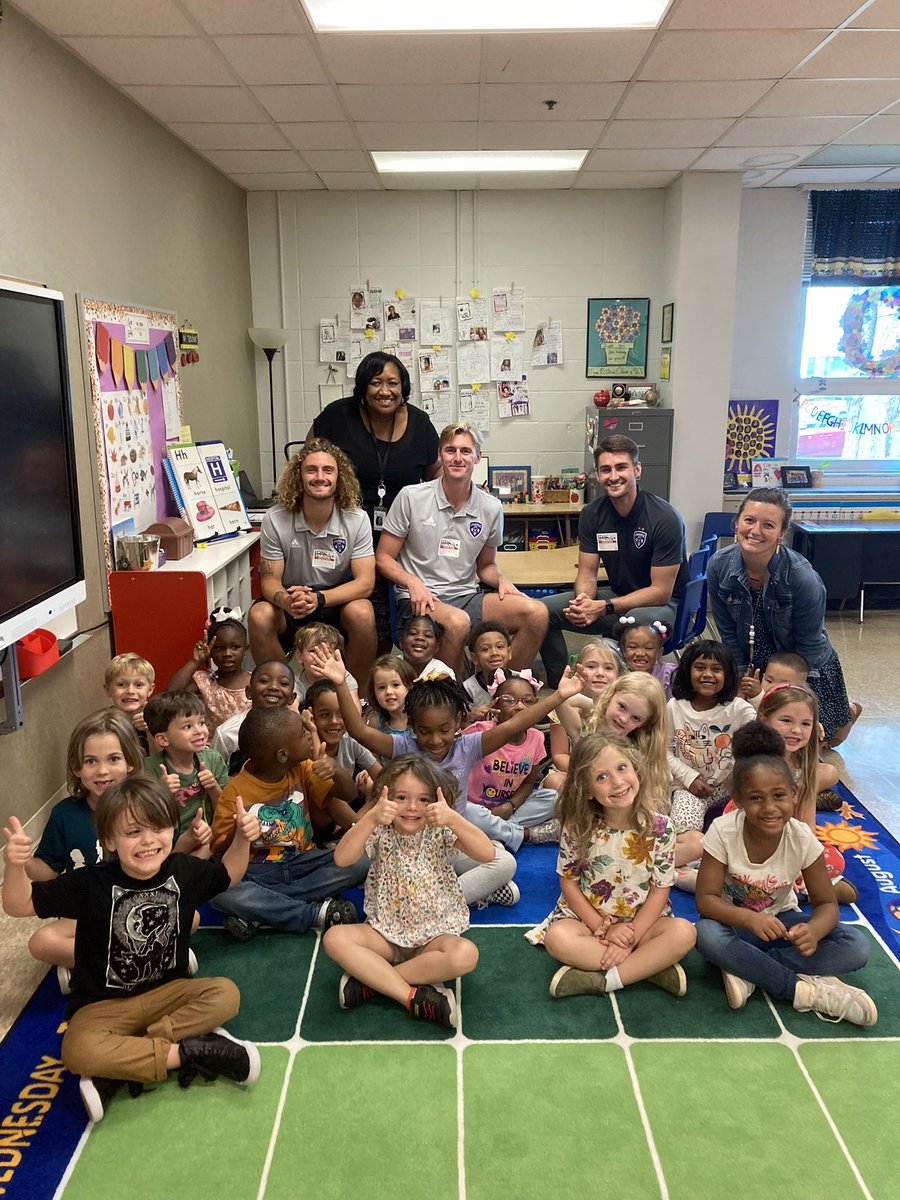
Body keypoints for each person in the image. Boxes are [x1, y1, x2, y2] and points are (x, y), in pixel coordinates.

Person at [2, 776, 263, 1122]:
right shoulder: (91, 883)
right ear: (109, 840)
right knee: (76, 1049)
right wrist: (14, 867)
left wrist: (243, 838)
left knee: (226, 994)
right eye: (133, 832)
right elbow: (19, 905)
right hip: (103, 1004)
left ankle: (120, 1065)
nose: (148, 840)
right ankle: (188, 1053)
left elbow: (229, 873)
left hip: (167, 993)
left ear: (172, 828)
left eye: (158, 828)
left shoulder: (183, 870)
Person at [311, 652, 585, 908]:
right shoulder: (403, 747)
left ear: (458, 721)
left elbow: (514, 724)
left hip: (450, 845)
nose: (434, 740)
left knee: (504, 861)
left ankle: (437, 901)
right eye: (424, 731)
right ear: (412, 726)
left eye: (443, 730)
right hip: (408, 849)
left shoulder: (468, 746)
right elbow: (359, 731)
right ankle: (471, 892)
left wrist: (559, 696)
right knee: (365, 864)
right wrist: (340, 683)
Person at [695, 723, 875, 1024]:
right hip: (734, 926)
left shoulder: (801, 837)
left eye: (779, 795)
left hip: (783, 924)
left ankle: (748, 970)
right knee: (705, 934)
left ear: (794, 794)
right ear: (738, 800)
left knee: (856, 946)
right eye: (756, 798)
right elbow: (706, 901)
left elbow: (827, 905)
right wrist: (750, 919)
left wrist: (814, 930)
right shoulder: (723, 831)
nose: (770, 808)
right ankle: (799, 990)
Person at [323, 756, 492, 1029]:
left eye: (423, 799)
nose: (412, 807)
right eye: (401, 797)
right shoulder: (380, 828)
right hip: (385, 935)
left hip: (432, 937)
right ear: (385, 797)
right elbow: (342, 859)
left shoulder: (440, 829)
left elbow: (487, 853)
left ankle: (373, 982)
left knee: (465, 954)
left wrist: (453, 818)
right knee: (334, 939)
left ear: (435, 801)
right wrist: (370, 817)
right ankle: (409, 996)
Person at [525, 730, 695, 1000]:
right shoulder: (578, 827)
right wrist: (604, 928)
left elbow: (659, 891)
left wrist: (630, 936)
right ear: (587, 790)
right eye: (601, 777)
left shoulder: (662, 827)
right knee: (557, 938)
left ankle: (605, 980)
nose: (617, 782)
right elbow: (568, 882)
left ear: (636, 769)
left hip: (643, 922)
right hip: (589, 921)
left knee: (685, 932)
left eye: (622, 768)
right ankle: (647, 967)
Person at [376, 422, 549, 674]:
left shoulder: (491, 507)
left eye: (466, 451)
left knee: (537, 613)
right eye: (450, 450)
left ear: (477, 457)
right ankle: (449, 695)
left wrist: (501, 579)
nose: (458, 458)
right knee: (457, 623)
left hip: (466, 596)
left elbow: (486, 566)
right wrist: (411, 582)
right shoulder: (411, 497)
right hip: (420, 599)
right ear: (440, 455)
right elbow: (383, 557)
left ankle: (502, 688)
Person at [706, 488, 861, 748]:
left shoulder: (801, 577)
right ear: (737, 524)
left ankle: (849, 713)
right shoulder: (718, 565)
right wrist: (740, 681)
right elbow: (728, 635)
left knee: (822, 741)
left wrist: (790, 691)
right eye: (749, 520)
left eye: (768, 525)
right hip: (756, 660)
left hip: (801, 662)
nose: (755, 531)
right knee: (761, 736)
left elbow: (808, 646)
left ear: (781, 534)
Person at [310, 352, 441, 649]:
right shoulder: (337, 416)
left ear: (403, 387)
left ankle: (379, 668)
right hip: (343, 533)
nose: (385, 391)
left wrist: (468, 491)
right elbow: (308, 461)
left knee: (385, 622)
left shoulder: (420, 424)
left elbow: (436, 475)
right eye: (376, 382)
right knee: (350, 613)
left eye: (393, 383)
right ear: (363, 387)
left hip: (399, 536)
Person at [208, 707, 368, 942]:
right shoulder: (234, 792)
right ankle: (312, 914)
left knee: (360, 861)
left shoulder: (302, 768)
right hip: (258, 872)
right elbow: (219, 849)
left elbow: (350, 793)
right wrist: (240, 833)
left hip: (305, 862)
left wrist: (335, 770)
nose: (309, 736)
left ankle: (261, 912)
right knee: (219, 892)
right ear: (283, 755)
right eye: (303, 734)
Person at [540, 435, 687, 687]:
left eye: (621, 467)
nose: (613, 476)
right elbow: (587, 573)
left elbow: (660, 592)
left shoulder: (664, 518)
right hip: (616, 597)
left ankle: (633, 692)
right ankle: (562, 689)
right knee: (541, 612)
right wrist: (584, 601)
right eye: (606, 469)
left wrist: (604, 607)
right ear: (598, 475)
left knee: (635, 625)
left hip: (661, 605)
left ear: (637, 470)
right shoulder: (592, 514)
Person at [26, 710, 145, 991]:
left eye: (113, 759)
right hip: (83, 913)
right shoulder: (64, 814)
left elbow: (166, 859)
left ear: (130, 762)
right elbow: (46, 872)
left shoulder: (145, 807)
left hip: (136, 909)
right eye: (91, 761)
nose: (102, 771)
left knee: (192, 918)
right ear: (77, 768)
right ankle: (137, 961)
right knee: (41, 942)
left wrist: (193, 839)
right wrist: (20, 861)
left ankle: (90, 965)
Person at [249, 438, 376, 685]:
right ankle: (287, 695)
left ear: (339, 477)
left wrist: (319, 598)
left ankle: (356, 696)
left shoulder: (357, 519)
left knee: (362, 612)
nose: (320, 477)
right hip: (292, 601)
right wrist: (286, 601)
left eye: (328, 470)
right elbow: (269, 581)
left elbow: (365, 583)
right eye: (311, 470)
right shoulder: (275, 518)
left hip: (334, 600)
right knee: (259, 615)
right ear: (299, 476)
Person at [666, 640, 755, 879]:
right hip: (689, 787)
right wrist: (690, 778)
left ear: (728, 675)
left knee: (754, 832)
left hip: (731, 786)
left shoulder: (739, 709)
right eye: (700, 667)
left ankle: (736, 872)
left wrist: (758, 696)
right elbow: (662, 751)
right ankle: (687, 875)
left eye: (717, 669)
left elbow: (765, 731)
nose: (708, 674)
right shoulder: (674, 707)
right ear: (687, 671)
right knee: (686, 837)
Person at [463, 670, 560, 845]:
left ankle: (496, 831)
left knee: (553, 798)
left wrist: (510, 806)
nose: (519, 706)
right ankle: (524, 834)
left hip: (510, 810)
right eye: (509, 700)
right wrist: (468, 719)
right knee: (470, 813)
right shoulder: (480, 731)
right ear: (496, 705)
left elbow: (529, 784)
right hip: (475, 808)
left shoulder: (537, 738)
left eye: (528, 701)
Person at [144, 691, 228, 833]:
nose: (199, 731)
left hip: (207, 835)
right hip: (167, 840)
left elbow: (225, 810)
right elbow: (143, 817)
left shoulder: (213, 760)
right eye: (187, 726)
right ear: (163, 739)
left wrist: (213, 786)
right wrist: (161, 792)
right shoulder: (148, 768)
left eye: (201, 723)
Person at [548, 640, 623, 778]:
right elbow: (560, 756)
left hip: (616, 773)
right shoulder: (567, 704)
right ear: (579, 670)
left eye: (608, 668)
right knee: (554, 780)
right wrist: (589, 772)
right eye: (591, 666)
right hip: (575, 770)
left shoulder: (624, 711)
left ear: (619, 675)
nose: (600, 673)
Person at [167, 613, 251, 734]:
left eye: (235, 647)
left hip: (246, 744)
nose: (227, 653)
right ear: (210, 651)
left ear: (245, 649)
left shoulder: (255, 681)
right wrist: (195, 661)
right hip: (209, 744)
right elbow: (170, 695)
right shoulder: (203, 681)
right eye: (219, 648)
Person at [211, 658, 299, 770]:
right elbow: (215, 775)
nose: (273, 687)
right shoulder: (227, 734)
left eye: (283, 683)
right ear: (249, 692)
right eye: (264, 681)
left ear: (292, 698)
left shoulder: (298, 731)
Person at [104, 652, 155, 754]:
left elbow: (161, 761)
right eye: (121, 685)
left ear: (150, 689)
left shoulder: (159, 720)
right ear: (108, 689)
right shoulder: (102, 724)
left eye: (138, 685)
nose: (130, 691)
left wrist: (150, 731)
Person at [462, 620, 515, 717]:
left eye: (500, 647)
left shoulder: (521, 680)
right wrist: (470, 715)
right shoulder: (468, 688)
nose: (494, 653)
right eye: (485, 649)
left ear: (509, 652)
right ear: (475, 658)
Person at [618, 620, 676, 699]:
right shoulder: (617, 673)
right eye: (633, 647)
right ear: (623, 651)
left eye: (648, 648)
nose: (640, 653)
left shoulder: (669, 676)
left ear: (659, 653)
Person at [365, 654, 415, 741]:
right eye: (382, 687)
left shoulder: (421, 718)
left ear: (409, 686)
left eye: (395, 685)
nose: (388, 691)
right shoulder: (375, 722)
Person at [397, 613, 455, 679]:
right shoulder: (390, 668)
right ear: (401, 642)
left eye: (428, 635)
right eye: (413, 633)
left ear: (436, 647)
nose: (420, 638)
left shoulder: (444, 673)